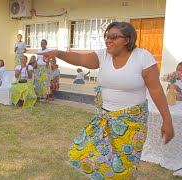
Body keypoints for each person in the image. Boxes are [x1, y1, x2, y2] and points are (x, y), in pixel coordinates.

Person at [39, 22, 174, 179]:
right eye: (106, 36)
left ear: (127, 40)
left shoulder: (142, 57)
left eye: (113, 36)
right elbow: (80, 58)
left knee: (125, 168)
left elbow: (156, 89)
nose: (108, 40)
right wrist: (59, 53)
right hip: (103, 120)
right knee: (89, 156)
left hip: (131, 124)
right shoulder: (103, 55)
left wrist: (167, 120)